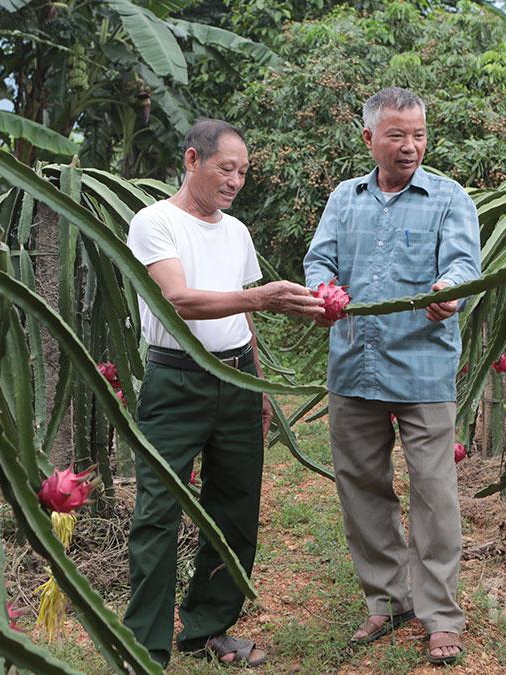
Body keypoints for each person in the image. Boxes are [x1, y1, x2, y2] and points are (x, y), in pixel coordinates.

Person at [123, 118, 324, 668]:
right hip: (176, 378)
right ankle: (146, 644)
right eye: (225, 169)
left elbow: (242, 316)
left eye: (243, 173)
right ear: (193, 161)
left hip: (237, 379)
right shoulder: (154, 222)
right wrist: (258, 298)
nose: (235, 182)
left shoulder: (236, 232)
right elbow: (179, 300)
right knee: (158, 510)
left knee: (234, 508)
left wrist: (257, 385)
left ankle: (206, 630)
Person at [303, 87, 481, 665]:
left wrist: (446, 294)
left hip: (423, 365)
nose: (410, 147)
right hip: (354, 364)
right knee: (362, 486)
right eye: (397, 135)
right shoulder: (344, 199)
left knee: (434, 493)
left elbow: (461, 265)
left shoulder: (449, 198)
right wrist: (324, 287)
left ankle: (441, 616)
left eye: (420, 135)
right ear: (369, 139)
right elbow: (320, 260)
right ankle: (387, 599)